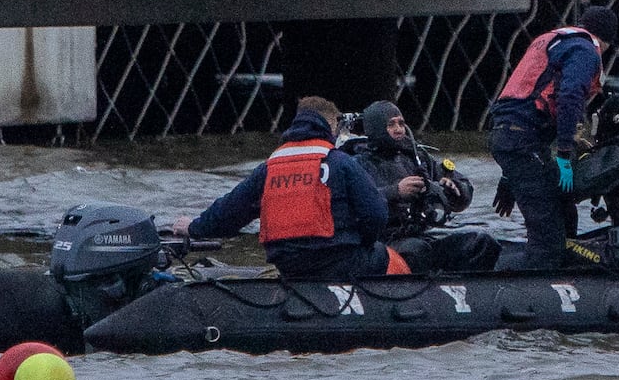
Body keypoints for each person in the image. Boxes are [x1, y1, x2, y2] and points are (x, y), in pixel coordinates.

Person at [180, 96, 406, 279]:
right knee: (391, 257)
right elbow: (376, 213)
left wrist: (194, 228)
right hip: (338, 262)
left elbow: (230, 212)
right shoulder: (339, 161)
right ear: (331, 125)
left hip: (289, 265)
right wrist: (365, 243)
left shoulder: (271, 165)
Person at [485, 4, 619, 270]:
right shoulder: (586, 51)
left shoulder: (553, 40)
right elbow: (569, 97)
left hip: (509, 137)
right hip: (523, 142)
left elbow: (524, 101)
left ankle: (562, 270)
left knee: (564, 210)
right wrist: (566, 154)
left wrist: (509, 175)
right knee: (548, 239)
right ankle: (531, 289)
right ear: (606, 40)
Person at [344, 100, 498, 275]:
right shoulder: (358, 163)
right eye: (391, 124)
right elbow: (352, 205)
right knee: (415, 250)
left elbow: (461, 187)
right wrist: (396, 192)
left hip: (422, 234)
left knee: (481, 241)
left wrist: (452, 188)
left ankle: (465, 290)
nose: (398, 129)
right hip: (384, 241)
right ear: (376, 128)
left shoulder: (417, 157)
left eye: (401, 123)